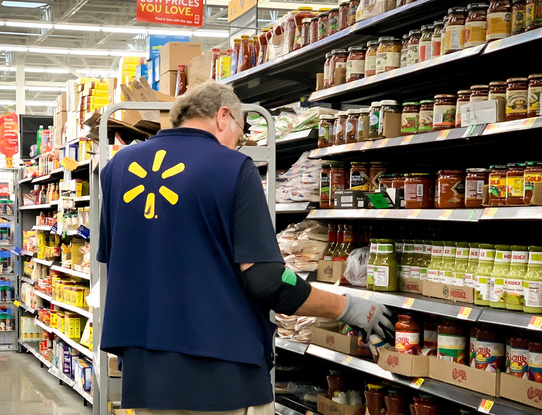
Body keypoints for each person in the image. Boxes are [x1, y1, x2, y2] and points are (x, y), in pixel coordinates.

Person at [97, 81, 394, 414]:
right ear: (224, 116)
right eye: (240, 134)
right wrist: (350, 308)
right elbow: (268, 279)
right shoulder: (232, 167)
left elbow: (118, 260)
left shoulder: (117, 168)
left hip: (145, 370)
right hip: (221, 370)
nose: (237, 145)